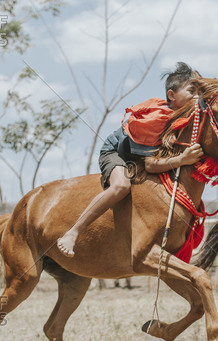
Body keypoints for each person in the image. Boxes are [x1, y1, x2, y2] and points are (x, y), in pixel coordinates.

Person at [56, 62, 204, 257]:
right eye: (192, 91)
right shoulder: (156, 119)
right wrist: (182, 160)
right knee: (120, 186)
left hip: (144, 158)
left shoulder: (186, 119)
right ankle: (73, 232)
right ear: (171, 95)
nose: (197, 97)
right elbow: (150, 165)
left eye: (200, 92)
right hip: (117, 152)